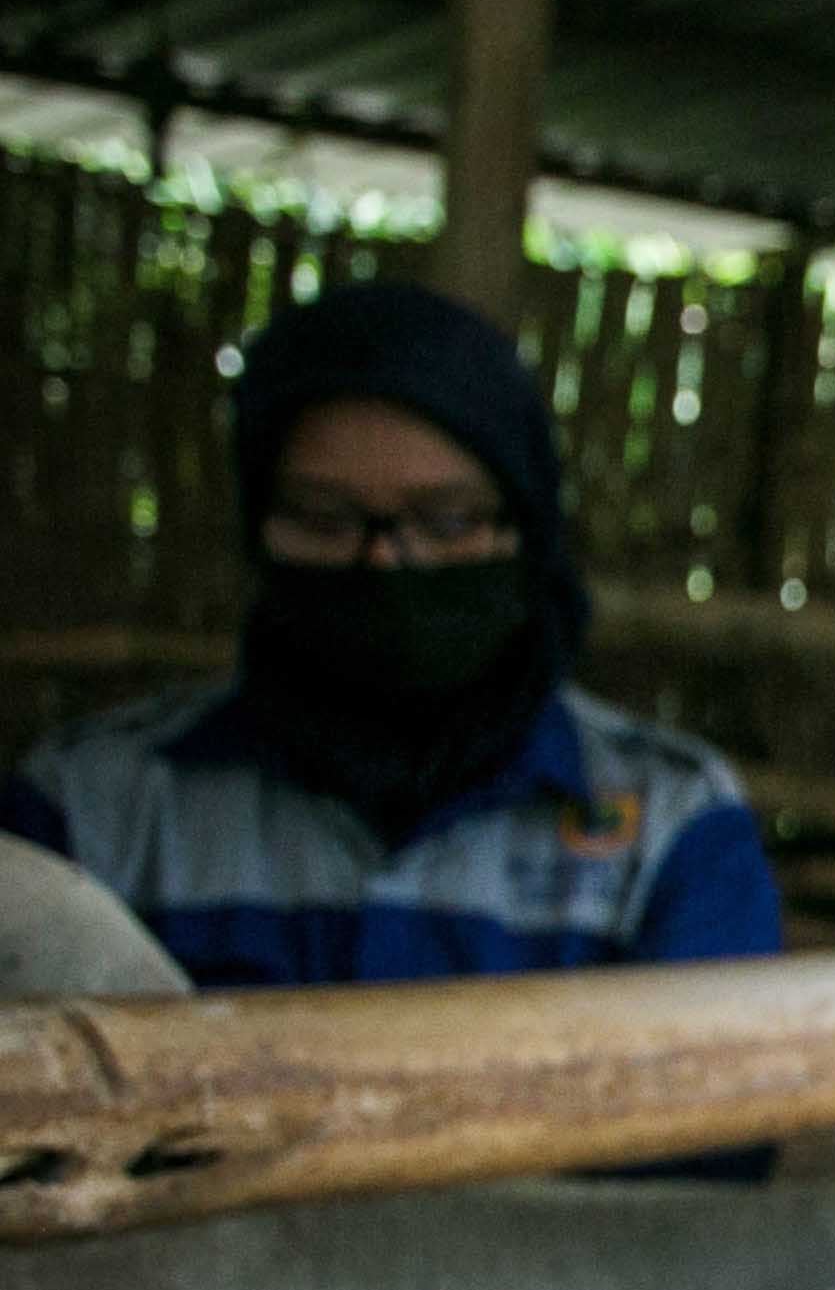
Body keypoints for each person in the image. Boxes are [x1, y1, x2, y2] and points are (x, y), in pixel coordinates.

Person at [6, 282, 784, 1174]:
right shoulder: (91, 810)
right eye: (325, 519)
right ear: (259, 523)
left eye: (445, 520)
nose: (384, 560)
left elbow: (709, 1170)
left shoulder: (668, 824)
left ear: (524, 527)